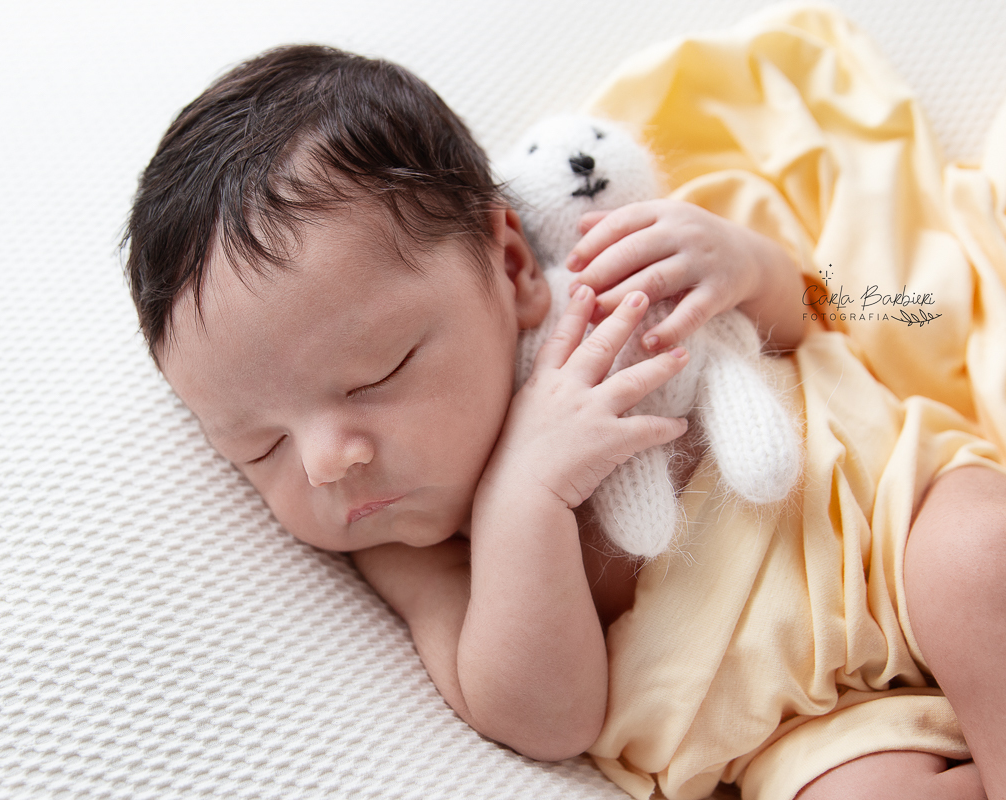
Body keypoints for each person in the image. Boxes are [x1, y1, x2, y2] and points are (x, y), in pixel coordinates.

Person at [122, 44, 1006, 800]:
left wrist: (747, 265)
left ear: (510, 265)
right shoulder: (411, 549)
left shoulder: (600, 279)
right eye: (256, 446)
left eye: (376, 374)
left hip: (889, 522)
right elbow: (543, 717)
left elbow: (811, 316)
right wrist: (521, 501)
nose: (325, 461)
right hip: (799, 728)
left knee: (979, 561)